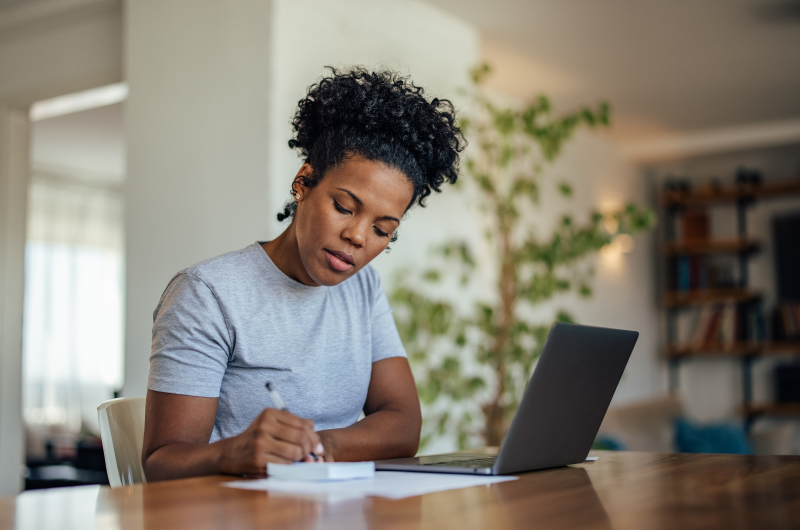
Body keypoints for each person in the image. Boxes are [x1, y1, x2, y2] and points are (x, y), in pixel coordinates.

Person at [141, 67, 465, 482]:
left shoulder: (362, 288)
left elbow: (403, 425)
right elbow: (160, 463)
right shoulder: (208, 294)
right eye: (344, 207)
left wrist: (317, 448)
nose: (358, 236)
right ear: (303, 183)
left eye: (383, 230)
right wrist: (233, 453)